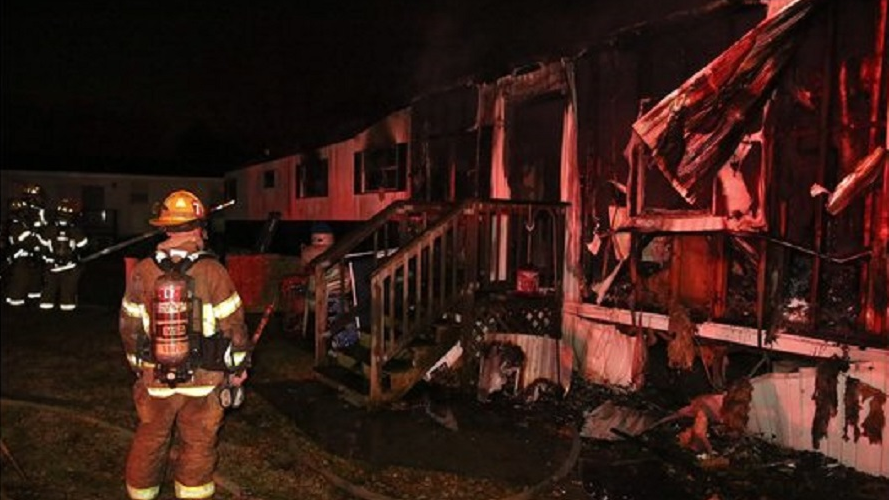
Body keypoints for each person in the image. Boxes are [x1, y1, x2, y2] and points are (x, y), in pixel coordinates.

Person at [119, 190, 250, 500]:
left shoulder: (143, 271)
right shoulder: (213, 270)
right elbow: (234, 326)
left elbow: (129, 325)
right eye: (201, 227)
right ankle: (192, 494)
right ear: (195, 229)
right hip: (204, 380)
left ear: (166, 229)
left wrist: (140, 367)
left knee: (150, 437)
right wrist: (239, 368)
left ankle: (140, 494)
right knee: (198, 442)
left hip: (155, 378)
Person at [38, 198, 89, 310]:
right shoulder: (76, 230)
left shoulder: (49, 229)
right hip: (70, 267)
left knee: (48, 290)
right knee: (68, 291)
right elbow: (83, 245)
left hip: (51, 266)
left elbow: (42, 246)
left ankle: (45, 312)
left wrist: (47, 258)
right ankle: (67, 313)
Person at [5, 185, 47, 306]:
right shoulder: (19, 213)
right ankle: (15, 301)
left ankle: (34, 297)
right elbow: (17, 235)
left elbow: (42, 227)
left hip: (35, 250)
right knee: (20, 277)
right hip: (21, 251)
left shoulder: (38, 211)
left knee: (35, 276)